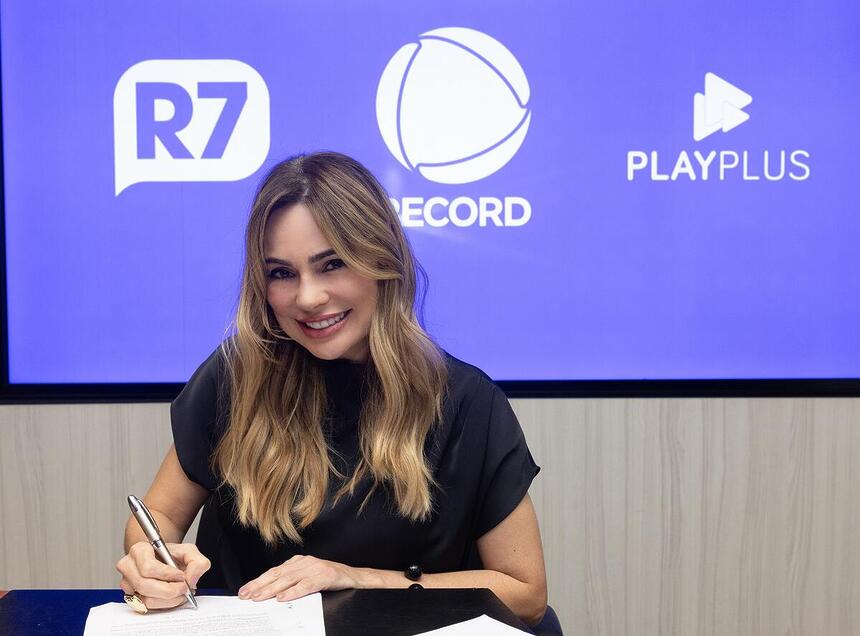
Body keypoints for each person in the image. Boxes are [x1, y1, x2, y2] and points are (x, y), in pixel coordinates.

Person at [116, 152, 548, 625]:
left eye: (332, 264)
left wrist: (359, 577)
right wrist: (148, 560)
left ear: (382, 261)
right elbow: (154, 519)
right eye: (281, 273)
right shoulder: (234, 377)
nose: (307, 297)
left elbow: (524, 593)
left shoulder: (467, 402)